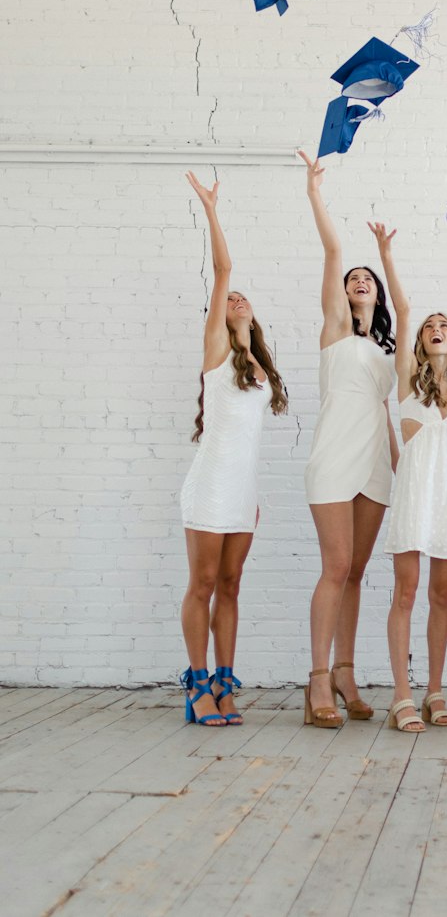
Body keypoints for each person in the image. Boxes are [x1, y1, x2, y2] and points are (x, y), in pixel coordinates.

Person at [180, 172, 287, 726]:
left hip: (242, 489)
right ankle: (197, 684)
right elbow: (224, 269)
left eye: (245, 298)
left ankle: (225, 682)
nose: (237, 297)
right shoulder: (217, 350)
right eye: (230, 299)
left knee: (231, 584)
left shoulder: (260, 368)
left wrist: (253, 493)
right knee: (202, 583)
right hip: (210, 485)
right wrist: (211, 210)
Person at [298, 151, 399, 728]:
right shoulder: (335, 330)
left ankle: (346, 672)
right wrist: (316, 194)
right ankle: (316, 681)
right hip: (334, 458)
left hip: (374, 462)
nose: (358, 281)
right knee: (334, 565)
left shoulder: (383, 350)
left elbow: (384, 408)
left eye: (368, 280)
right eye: (352, 280)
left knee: (357, 571)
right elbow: (334, 252)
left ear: (376, 297)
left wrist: (397, 456)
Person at [373, 223, 447, 731]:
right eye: (429, 325)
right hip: (415, 497)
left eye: (444, 324)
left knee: (441, 597)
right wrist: (386, 253)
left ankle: (434, 693)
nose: (435, 328)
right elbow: (400, 310)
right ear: (421, 341)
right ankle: (402, 694)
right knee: (406, 592)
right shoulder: (405, 380)